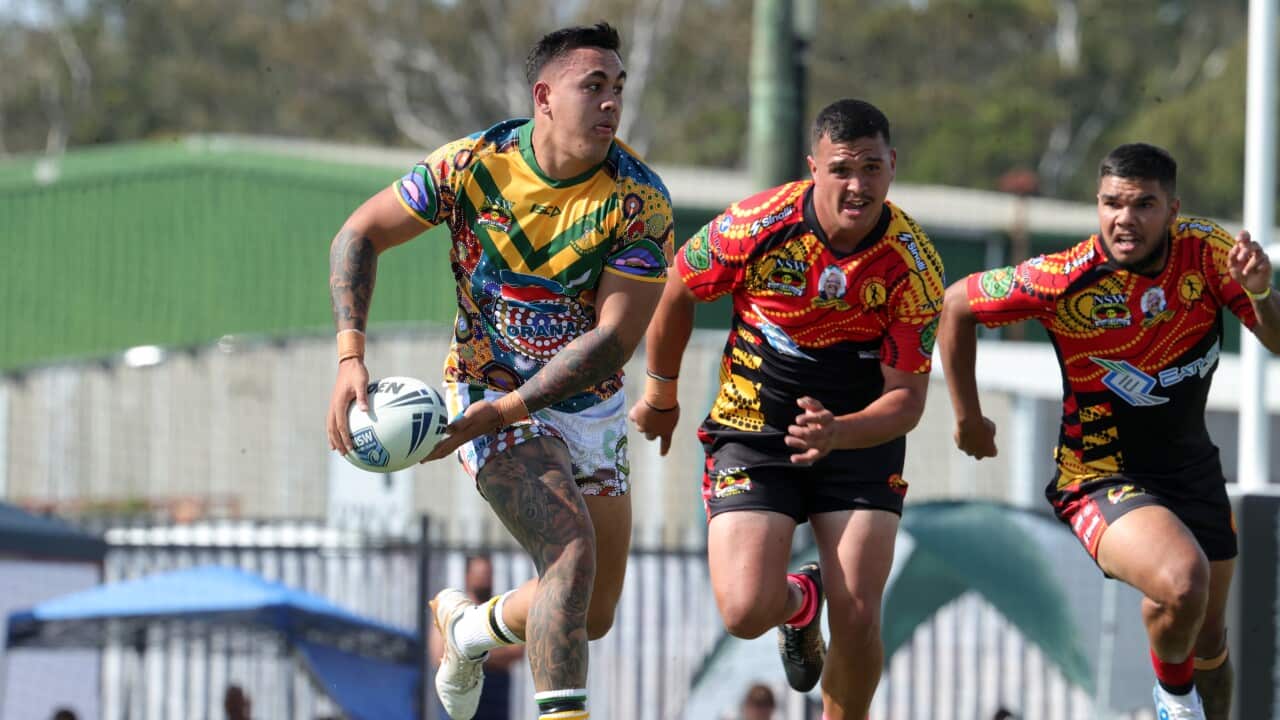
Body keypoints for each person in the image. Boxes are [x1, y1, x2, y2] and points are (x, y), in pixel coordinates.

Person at [325, 21, 673, 720]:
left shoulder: (639, 202)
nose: (611, 104)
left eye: (618, 89)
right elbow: (359, 232)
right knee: (569, 552)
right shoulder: (472, 165)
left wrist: (515, 410)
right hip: (485, 388)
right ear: (544, 96)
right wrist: (349, 355)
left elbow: (611, 343)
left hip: (588, 406)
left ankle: (469, 629)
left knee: (589, 610)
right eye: (593, 87)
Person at [937, 142, 1280, 720]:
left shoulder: (1207, 253)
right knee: (1182, 581)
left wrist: (1262, 292)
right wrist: (968, 416)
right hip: (1098, 475)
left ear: (1173, 210)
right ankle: (1170, 700)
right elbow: (955, 306)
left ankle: (1186, 691)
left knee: (1210, 651)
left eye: (1144, 204)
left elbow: (1277, 339)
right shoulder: (1063, 278)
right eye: (1112, 203)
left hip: (1193, 473)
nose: (1125, 219)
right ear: (1098, 205)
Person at [630, 99, 945, 720]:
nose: (858, 186)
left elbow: (906, 401)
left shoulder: (914, 264)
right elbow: (676, 289)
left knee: (857, 615)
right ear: (813, 167)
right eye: (841, 169)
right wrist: (660, 393)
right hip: (754, 428)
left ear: (893, 166)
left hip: (858, 438)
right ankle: (800, 602)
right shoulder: (756, 225)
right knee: (745, 612)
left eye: (872, 168)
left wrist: (839, 432)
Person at [428, 555, 525, 720]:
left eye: (488, 575)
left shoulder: (500, 610)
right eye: (480, 575)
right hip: (460, 690)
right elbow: (438, 655)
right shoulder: (453, 613)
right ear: (468, 576)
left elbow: (516, 652)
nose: (484, 580)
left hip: (496, 693)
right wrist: (491, 650)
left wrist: (468, 653)